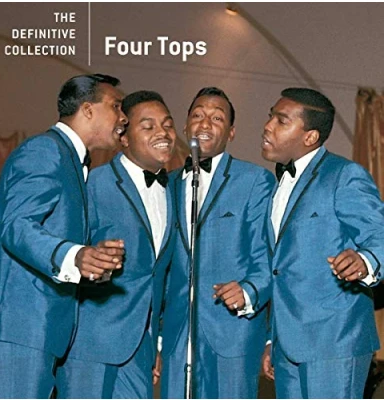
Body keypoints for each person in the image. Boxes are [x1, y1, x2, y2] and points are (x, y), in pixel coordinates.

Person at [0, 73, 127, 398]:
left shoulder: (71, 161)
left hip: (42, 333)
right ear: (87, 109)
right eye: (116, 106)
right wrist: (74, 256)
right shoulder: (44, 150)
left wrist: (93, 262)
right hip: (20, 330)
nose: (123, 118)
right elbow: (17, 225)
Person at [261, 87, 384, 398]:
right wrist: (272, 338)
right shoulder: (278, 186)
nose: (268, 126)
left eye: (281, 120)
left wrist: (364, 261)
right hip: (287, 344)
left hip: (334, 339)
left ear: (310, 137)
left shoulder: (344, 175)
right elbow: (279, 270)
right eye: (270, 117)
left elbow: (379, 232)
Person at [56, 90, 177, 399]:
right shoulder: (93, 183)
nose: (162, 133)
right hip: (89, 345)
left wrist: (156, 340)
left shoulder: (174, 193)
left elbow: (161, 275)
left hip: (141, 349)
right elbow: (64, 256)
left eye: (168, 125)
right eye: (148, 126)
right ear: (123, 137)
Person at [160, 87, 275, 398]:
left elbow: (269, 258)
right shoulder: (166, 184)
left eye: (217, 118)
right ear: (186, 126)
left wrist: (248, 290)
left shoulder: (255, 181)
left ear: (231, 132)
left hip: (233, 332)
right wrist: (156, 333)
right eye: (198, 115)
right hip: (175, 335)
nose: (205, 123)